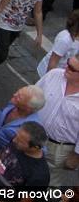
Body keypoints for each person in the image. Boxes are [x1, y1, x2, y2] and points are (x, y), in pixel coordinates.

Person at [33, 56, 79, 185]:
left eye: (72, 68)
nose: (66, 67)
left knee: (48, 182)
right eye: (68, 63)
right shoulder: (54, 75)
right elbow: (33, 95)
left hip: (59, 149)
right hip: (34, 135)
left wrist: (76, 157)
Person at [0, 85, 46, 168]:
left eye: (19, 97)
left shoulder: (32, 128)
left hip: (0, 164)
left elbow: (40, 151)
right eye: (17, 92)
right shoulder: (13, 104)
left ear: (28, 108)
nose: (14, 95)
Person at [0, 121, 51, 190]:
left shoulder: (39, 176)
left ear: (35, 147)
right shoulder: (17, 142)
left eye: (20, 141)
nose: (14, 140)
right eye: (16, 136)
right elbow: (2, 154)